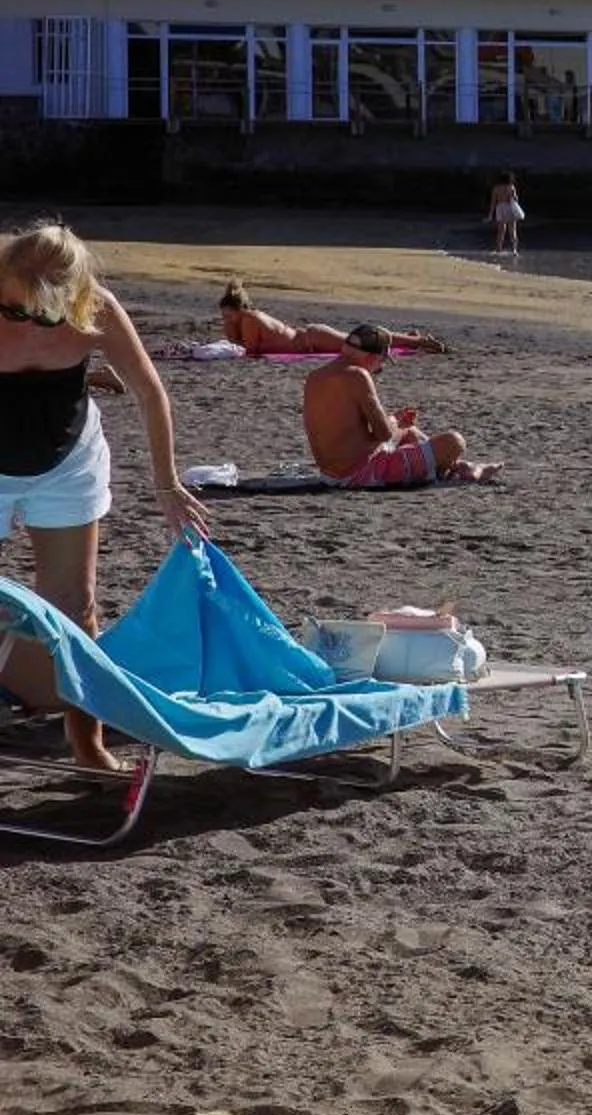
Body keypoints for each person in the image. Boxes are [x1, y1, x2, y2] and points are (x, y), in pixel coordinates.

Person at [0, 222, 213, 773]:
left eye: (41, 313)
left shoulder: (96, 308)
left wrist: (166, 485)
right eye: (14, 309)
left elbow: (148, 392)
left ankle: (87, 745)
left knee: (75, 605)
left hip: (67, 461)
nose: (25, 321)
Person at [301, 324, 497, 487]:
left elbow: (349, 433)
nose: (380, 368)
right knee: (454, 442)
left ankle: (456, 467)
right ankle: (466, 470)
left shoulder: (315, 376)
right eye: (381, 362)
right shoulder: (358, 375)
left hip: (331, 474)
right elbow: (383, 434)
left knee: (410, 433)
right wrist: (396, 421)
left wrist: (398, 422)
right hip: (361, 474)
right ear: (371, 358)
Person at [218, 282, 445, 356]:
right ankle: (409, 338)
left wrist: (230, 326)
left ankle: (419, 341)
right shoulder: (250, 317)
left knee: (363, 341)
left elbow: (248, 350)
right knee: (358, 339)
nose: (225, 318)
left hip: (312, 339)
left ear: (237, 310)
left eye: (228, 314)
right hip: (311, 337)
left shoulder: (248, 319)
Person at [486, 172, 525, 260]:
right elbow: (516, 199)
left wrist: (490, 215)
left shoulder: (496, 188)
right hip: (509, 207)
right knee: (513, 230)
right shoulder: (511, 187)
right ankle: (514, 250)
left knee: (501, 231)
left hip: (500, 208)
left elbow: (493, 202)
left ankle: (498, 249)